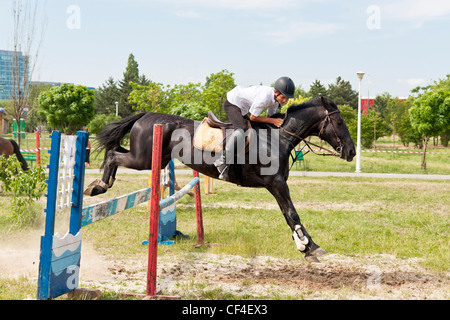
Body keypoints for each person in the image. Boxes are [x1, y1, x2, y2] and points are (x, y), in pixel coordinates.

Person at [214, 76, 296, 180]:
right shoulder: (264, 97)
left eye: (287, 99)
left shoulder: (275, 101)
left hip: (242, 108)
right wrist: (273, 121)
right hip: (232, 103)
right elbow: (253, 117)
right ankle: (222, 161)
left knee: (255, 128)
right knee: (242, 129)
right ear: (276, 92)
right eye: (283, 98)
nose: (285, 100)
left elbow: (269, 118)